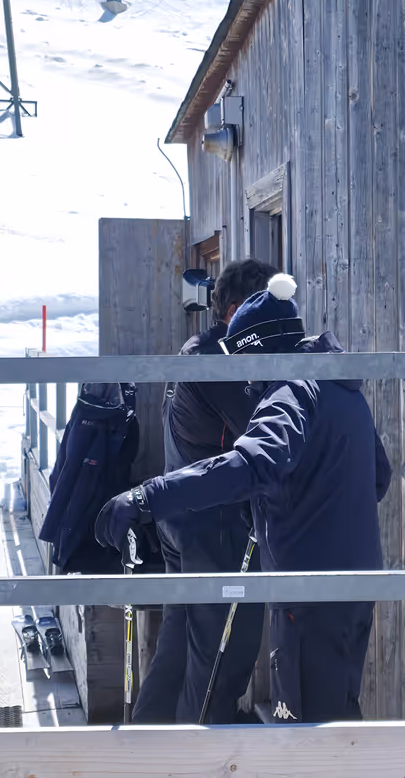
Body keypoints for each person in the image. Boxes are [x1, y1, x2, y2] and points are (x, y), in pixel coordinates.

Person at [96, 274, 392, 723]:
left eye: (246, 364)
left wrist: (146, 497)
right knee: (336, 712)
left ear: (262, 350)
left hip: (308, 592)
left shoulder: (290, 393)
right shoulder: (340, 388)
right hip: (355, 585)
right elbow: (378, 476)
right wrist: (297, 502)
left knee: (304, 726)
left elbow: (250, 464)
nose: (247, 381)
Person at [128, 257, 274, 724]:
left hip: (182, 518)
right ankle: (203, 751)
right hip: (212, 525)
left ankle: (146, 743)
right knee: (225, 647)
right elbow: (263, 427)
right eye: (265, 309)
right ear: (236, 310)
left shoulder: (197, 350)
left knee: (179, 641)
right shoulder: (219, 364)